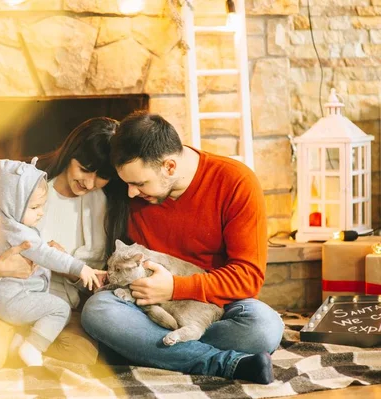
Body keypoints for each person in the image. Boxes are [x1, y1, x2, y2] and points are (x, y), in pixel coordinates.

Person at [81, 111, 284, 385]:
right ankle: (227, 363)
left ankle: (143, 347)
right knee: (98, 311)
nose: (130, 193)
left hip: (216, 305)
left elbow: (248, 276)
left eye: (139, 184)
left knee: (264, 329)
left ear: (170, 167)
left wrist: (176, 287)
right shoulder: (134, 186)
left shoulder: (236, 182)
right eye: (127, 183)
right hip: (150, 306)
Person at [0, 117, 120, 376]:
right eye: (84, 168)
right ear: (71, 152)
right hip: (5, 301)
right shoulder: (21, 189)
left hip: (54, 309)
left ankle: (22, 347)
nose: (90, 183)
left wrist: (73, 272)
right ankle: (12, 345)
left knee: (82, 355)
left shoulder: (106, 206)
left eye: (102, 176)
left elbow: (91, 278)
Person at [0, 157, 104, 366]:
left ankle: (20, 341)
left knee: (74, 340)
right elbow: (46, 254)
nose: (41, 212)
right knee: (59, 309)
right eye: (35, 207)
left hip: (11, 297)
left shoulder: (10, 222)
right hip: (14, 300)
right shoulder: (18, 231)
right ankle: (32, 348)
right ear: (14, 204)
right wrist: (80, 267)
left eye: (42, 206)